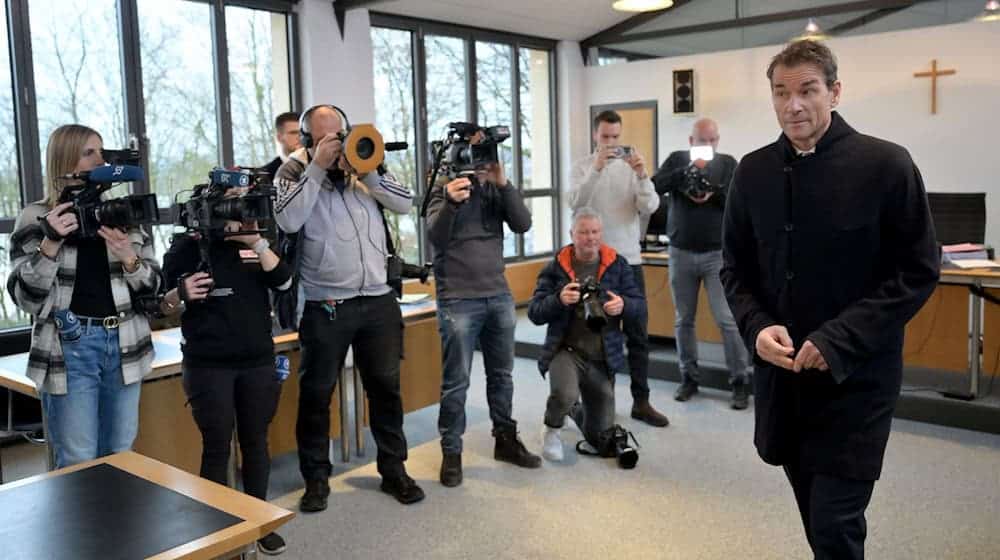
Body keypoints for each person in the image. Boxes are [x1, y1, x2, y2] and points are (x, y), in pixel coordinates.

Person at [720, 40, 939, 559]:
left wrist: (839, 338)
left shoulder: (886, 164)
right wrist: (755, 328)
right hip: (786, 382)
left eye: (807, 91)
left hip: (856, 381)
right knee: (816, 518)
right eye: (781, 93)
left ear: (834, 92)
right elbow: (735, 271)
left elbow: (918, 269)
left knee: (835, 521)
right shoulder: (751, 173)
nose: (793, 105)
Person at [274, 104, 424, 509]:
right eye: (323, 137)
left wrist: (368, 170)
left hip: (378, 300)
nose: (334, 142)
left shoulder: (364, 159)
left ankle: (394, 471)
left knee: (387, 391)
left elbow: (404, 203)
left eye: (338, 133)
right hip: (326, 305)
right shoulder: (291, 170)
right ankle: (317, 481)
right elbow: (288, 220)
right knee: (317, 394)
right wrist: (317, 168)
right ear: (307, 139)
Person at [6, 124, 160, 468]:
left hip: (125, 343)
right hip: (69, 347)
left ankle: (114, 524)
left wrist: (129, 258)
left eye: (102, 153)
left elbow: (153, 288)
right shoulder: (36, 216)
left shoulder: (121, 214)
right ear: (65, 157)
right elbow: (25, 297)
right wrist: (50, 243)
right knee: (77, 460)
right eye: (89, 153)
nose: (100, 160)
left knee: (121, 454)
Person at [161, 185, 293, 555]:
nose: (243, 212)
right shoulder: (187, 248)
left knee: (255, 443)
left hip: (257, 361)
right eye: (234, 206)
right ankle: (219, 529)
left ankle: (259, 522)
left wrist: (257, 241)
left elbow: (284, 281)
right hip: (209, 364)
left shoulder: (254, 245)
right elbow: (163, 303)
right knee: (217, 447)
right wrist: (180, 292)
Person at [425, 130, 541, 487]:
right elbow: (435, 237)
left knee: (502, 376)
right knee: (456, 382)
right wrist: (451, 202)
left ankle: (505, 440)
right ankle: (452, 452)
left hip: (497, 294)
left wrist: (504, 184)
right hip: (458, 299)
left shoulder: (493, 187)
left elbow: (522, 223)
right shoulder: (442, 188)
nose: (474, 163)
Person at [570, 110, 668, 428]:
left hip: (629, 261)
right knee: (602, 337)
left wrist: (641, 175)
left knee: (638, 336)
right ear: (595, 135)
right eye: (605, 137)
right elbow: (576, 203)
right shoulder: (583, 167)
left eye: (616, 137)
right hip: (596, 263)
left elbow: (650, 206)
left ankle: (641, 401)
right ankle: (604, 401)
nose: (611, 143)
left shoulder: (631, 168)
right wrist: (597, 169)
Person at [528, 207, 645, 466]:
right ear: (572, 234)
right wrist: (558, 300)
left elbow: (640, 307)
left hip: (602, 358)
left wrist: (624, 305)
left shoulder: (618, 265)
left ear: (601, 233)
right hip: (566, 350)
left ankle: (574, 410)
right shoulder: (555, 267)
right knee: (564, 393)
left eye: (594, 232)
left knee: (600, 438)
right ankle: (551, 428)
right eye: (583, 232)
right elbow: (535, 313)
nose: (590, 238)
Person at [652, 118, 750, 409]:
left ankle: (740, 381)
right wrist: (687, 173)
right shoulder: (677, 160)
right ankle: (688, 378)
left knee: (727, 319)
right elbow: (656, 186)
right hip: (680, 252)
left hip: (716, 255)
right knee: (684, 320)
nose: (706, 146)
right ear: (691, 140)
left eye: (711, 141)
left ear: (717, 141)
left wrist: (713, 192)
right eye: (700, 141)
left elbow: (738, 201)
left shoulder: (729, 163)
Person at [260, 111, 302, 178]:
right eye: (293, 133)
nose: (300, 137)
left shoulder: (319, 167)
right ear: (279, 138)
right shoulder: (265, 174)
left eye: (302, 132)